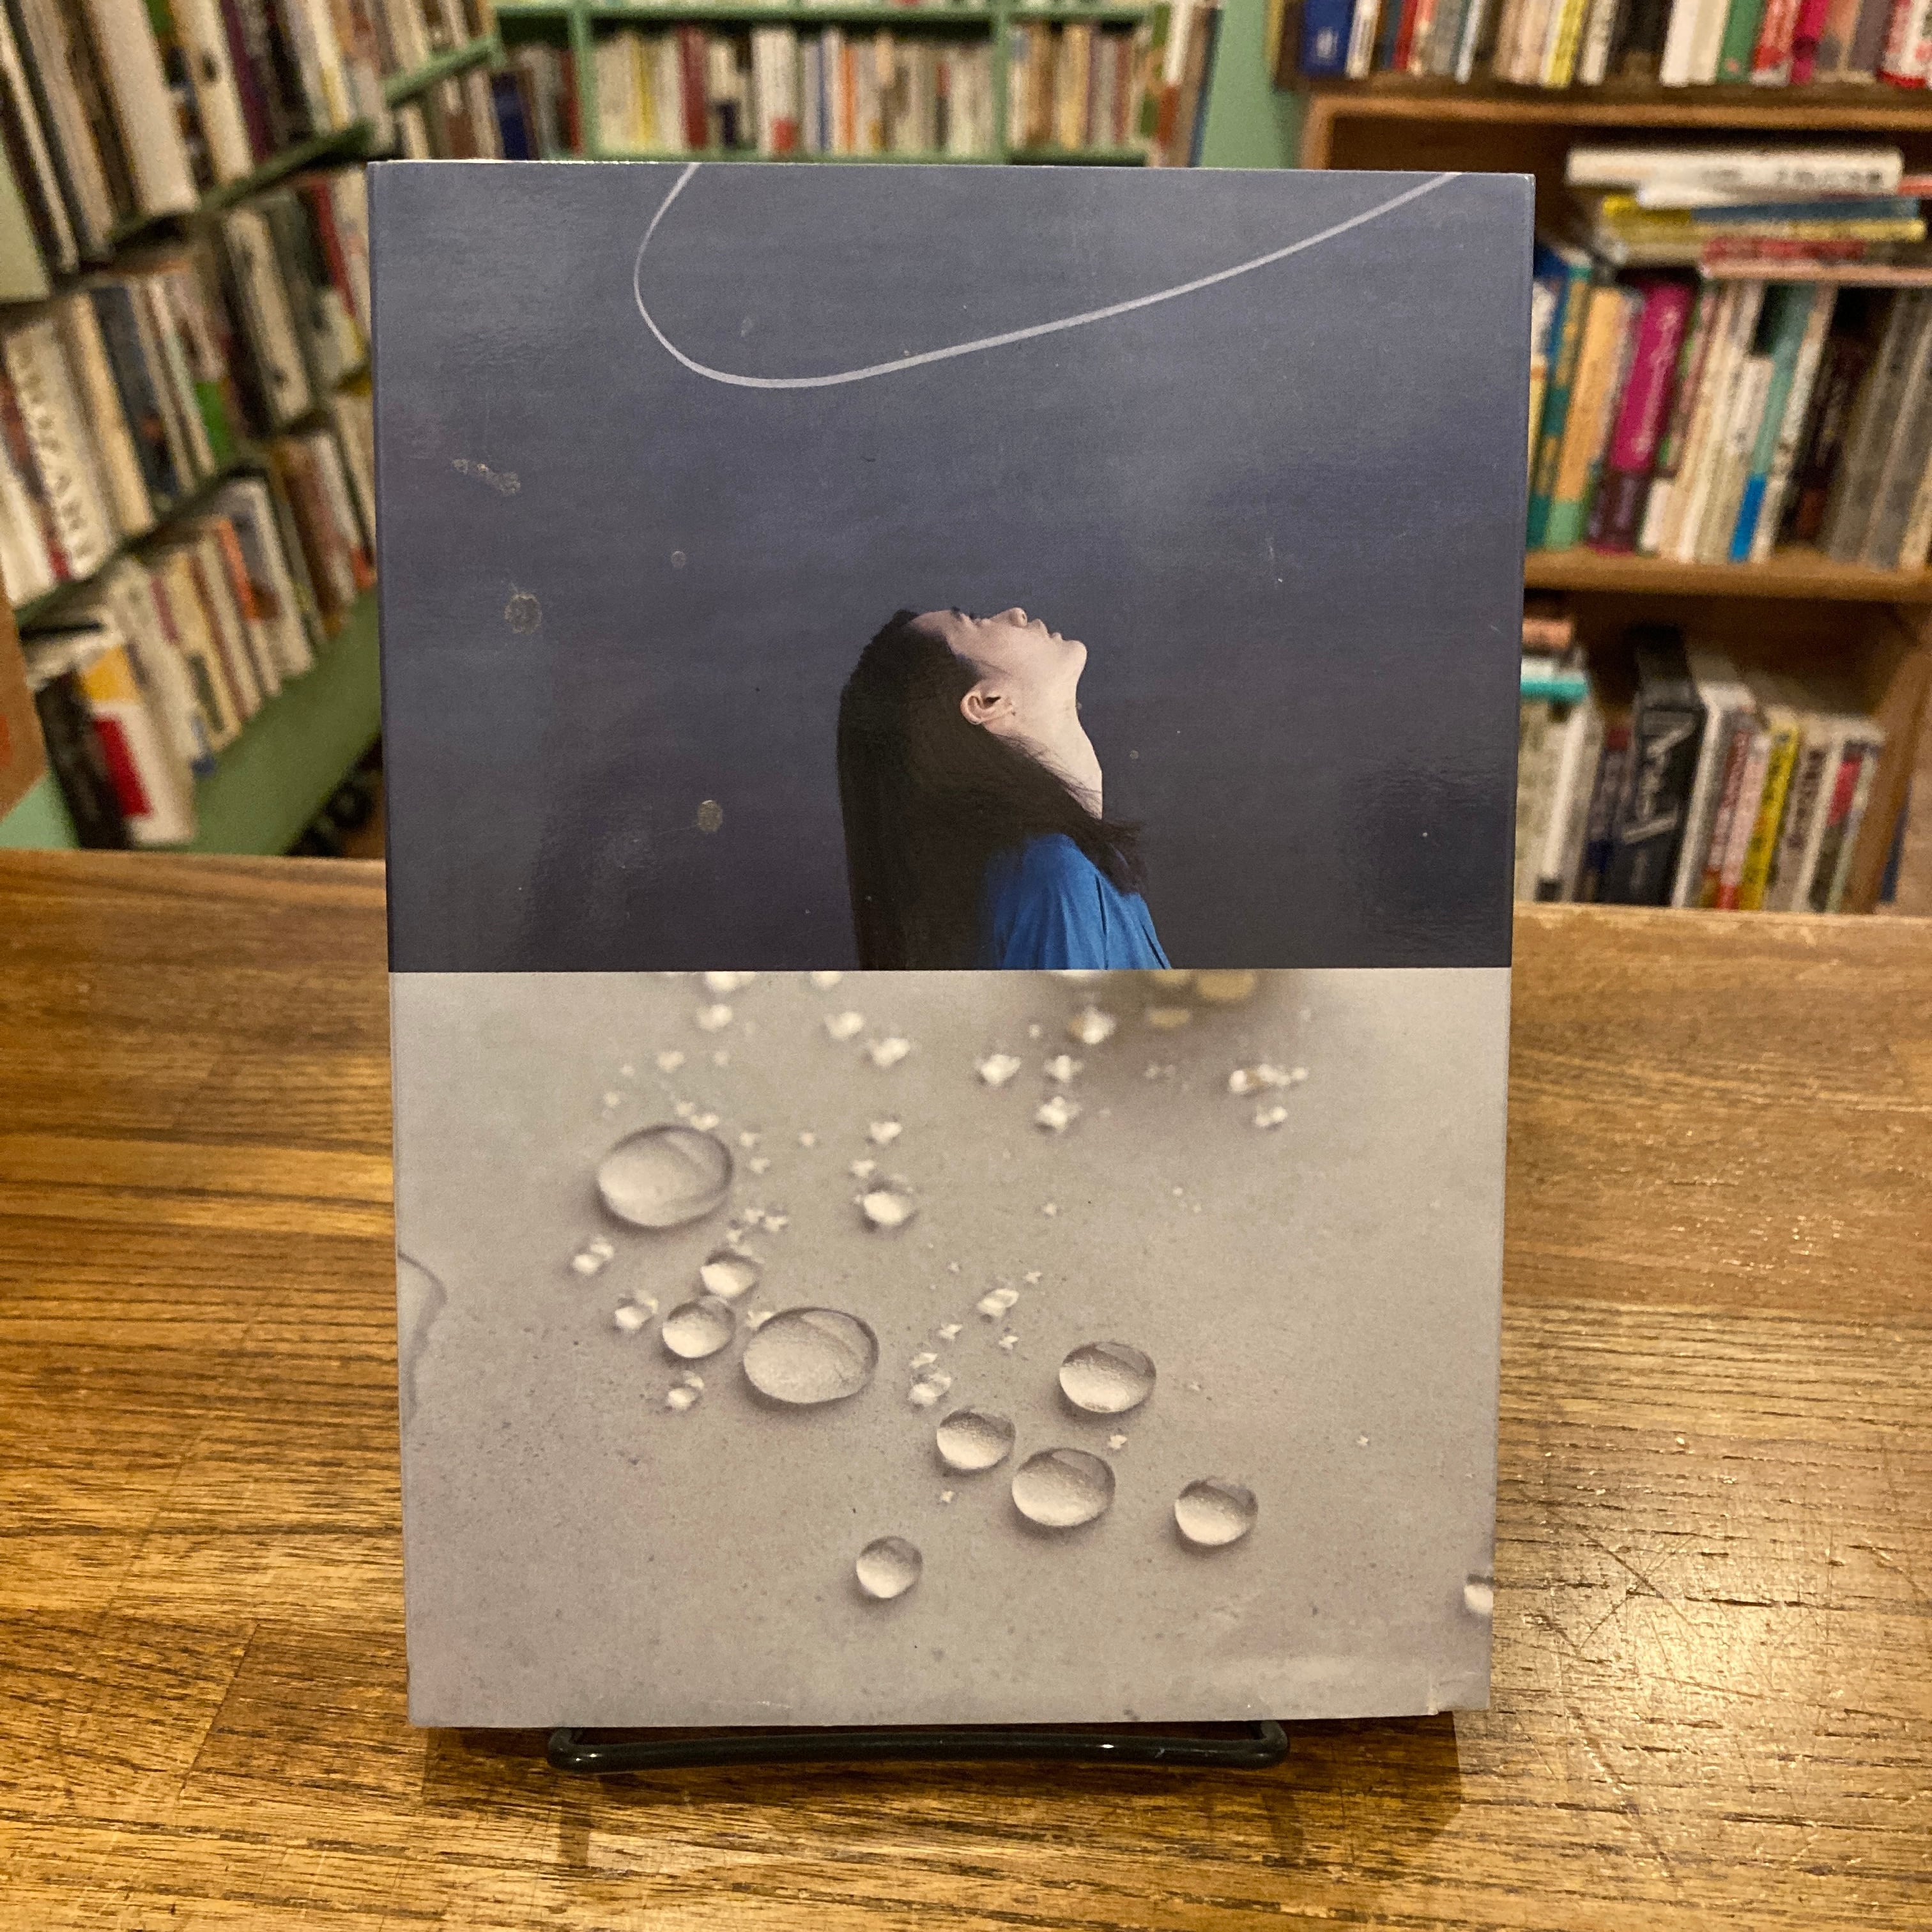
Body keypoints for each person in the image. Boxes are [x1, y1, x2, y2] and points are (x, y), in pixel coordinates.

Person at [836, 606, 1169, 970]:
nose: (1016, 614)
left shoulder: (1076, 868)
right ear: (986, 702)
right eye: (976, 622)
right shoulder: (1054, 875)